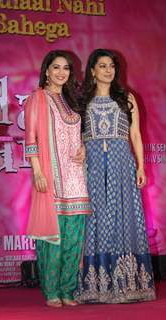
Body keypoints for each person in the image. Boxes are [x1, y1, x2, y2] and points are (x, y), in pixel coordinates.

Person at [75, 49, 156, 303]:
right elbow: (76, 135)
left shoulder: (126, 98)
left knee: (123, 217)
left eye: (111, 66)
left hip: (122, 163)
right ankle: (95, 285)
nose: (108, 70)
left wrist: (140, 166)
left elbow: (135, 136)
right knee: (95, 219)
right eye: (102, 66)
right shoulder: (82, 100)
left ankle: (128, 284)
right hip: (94, 165)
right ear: (92, 71)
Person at [24, 50, 91, 307]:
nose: (61, 72)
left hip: (76, 177)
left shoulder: (71, 101)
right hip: (51, 177)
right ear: (47, 71)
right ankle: (51, 291)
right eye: (56, 67)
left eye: (66, 68)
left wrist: (84, 147)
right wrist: (37, 171)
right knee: (53, 237)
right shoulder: (37, 98)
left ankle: (68, 289)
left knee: (74, 237)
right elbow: (30, 139)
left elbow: (78, 134)